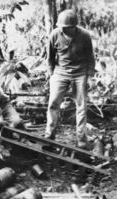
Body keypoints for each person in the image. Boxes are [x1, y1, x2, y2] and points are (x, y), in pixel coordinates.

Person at [45, 9, 95, 149]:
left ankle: (81, 139)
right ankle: (50, 134)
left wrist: (89, 76)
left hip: (80, 72)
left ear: (74, 27)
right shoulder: (54, 35)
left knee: (81, 106)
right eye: (62, 27)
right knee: (53, 103)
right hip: (60, 72)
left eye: (67, 28)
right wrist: (51, 74)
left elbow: (90, 57)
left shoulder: (84, 35)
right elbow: (49, 58)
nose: (64, 30)